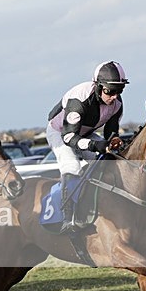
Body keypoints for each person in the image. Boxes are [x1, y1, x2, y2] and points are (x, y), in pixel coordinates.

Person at [46, 61, 127, 233]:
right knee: (72, 166)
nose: (114, 96)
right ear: (98, 86)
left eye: (119, 91)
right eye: (110, 91)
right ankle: (67, 218)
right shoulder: (79, 99)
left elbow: (111, 132)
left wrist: (114, 141)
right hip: (60, 132)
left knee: (108, 163)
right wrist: (95, 145)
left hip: (85, 132)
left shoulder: (117, 104)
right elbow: (69, 137)